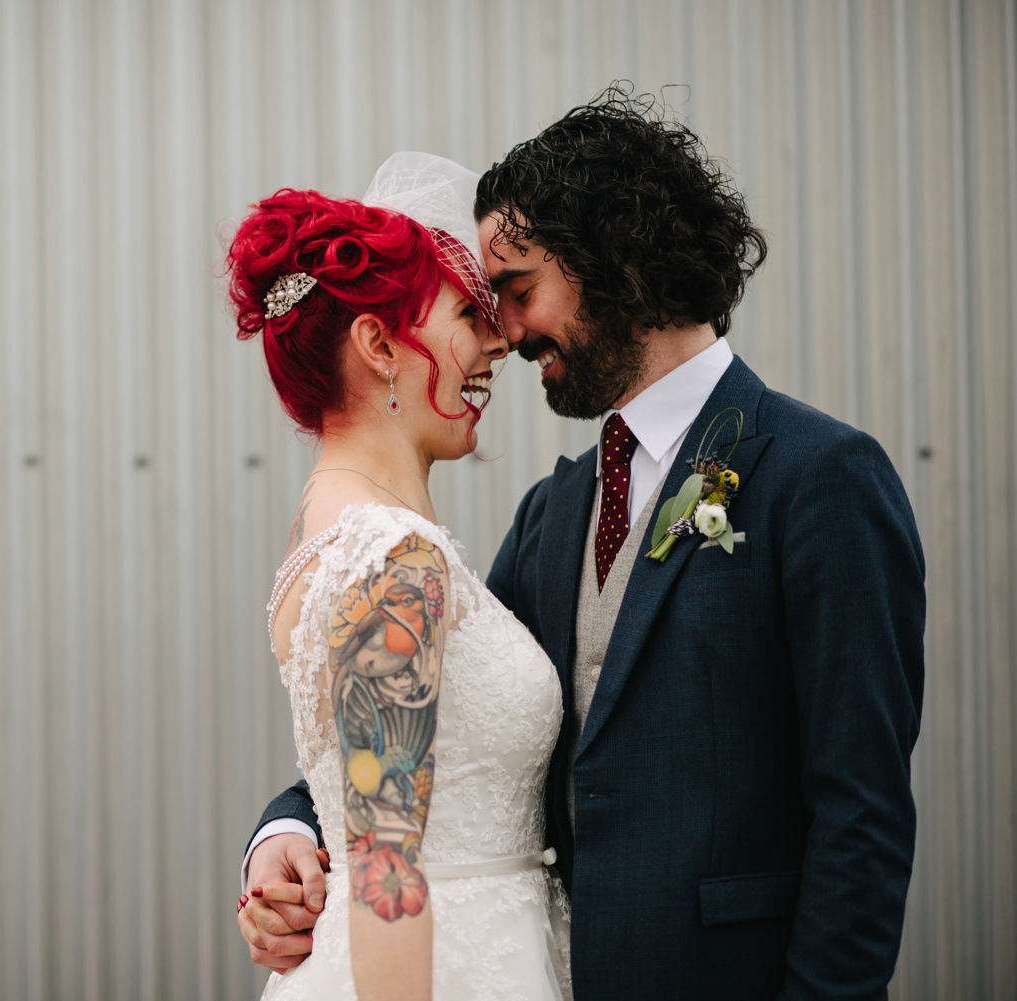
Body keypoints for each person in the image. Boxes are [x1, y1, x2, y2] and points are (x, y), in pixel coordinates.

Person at [240, 89, 925, 1000]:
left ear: (619, 263)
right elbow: (421, 715)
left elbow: (862, 815)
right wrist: (287, 831)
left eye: (519, 292)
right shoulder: (553, 512)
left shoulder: (820, 477)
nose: (505, 332)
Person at [227, 152, 572, 1001]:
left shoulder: (333, 533)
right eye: (466, 315)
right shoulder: (391, 558)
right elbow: (387, 868)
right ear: (379, 344)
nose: (497, 341)